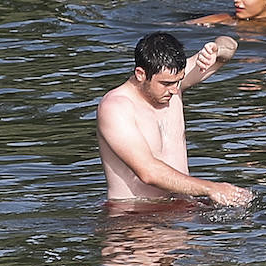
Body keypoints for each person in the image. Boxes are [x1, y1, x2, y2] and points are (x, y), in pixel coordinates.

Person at [97, 32, 252, 206]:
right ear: (141, 74)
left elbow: (230, 45)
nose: (174, 90)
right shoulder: (115, 107)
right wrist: (211, 188)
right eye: (166, 84)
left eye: (178, 81)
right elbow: (148, 172)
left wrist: (216, 51)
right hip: (133, 214)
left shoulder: (173, 82)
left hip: (181, 206)